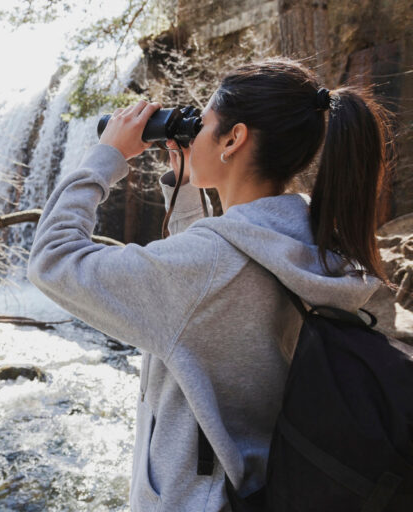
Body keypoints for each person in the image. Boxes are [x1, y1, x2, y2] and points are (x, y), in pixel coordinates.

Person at [26, 57, 393, 511]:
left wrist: (107, 157)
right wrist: (182, 185)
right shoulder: (314, 243)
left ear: (234, 139)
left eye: (204, 123)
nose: (193, 132)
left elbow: (52, 260)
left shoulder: (208, 267)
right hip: (262, 489)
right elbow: (205, 307)